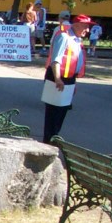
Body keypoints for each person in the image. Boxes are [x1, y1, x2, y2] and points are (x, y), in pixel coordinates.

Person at [41, 14, 93, 143]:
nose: (88, 30)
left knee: (62, 111)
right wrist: (58, 79)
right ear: (77, 25)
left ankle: (53, 138)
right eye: (85, 27)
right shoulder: (64, 37)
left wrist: (73, 83)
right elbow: (56, 60)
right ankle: (49, 140)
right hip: (58, 76)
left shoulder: (76, 39)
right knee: (54, 112)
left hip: (69, 78)